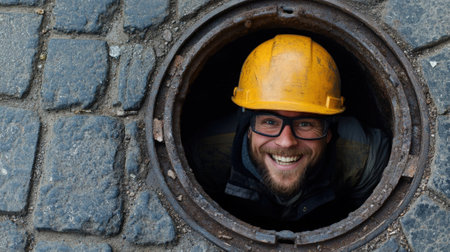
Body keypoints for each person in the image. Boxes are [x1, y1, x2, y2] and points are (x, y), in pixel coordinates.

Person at [188, 34, 391, 231]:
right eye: (270, 122)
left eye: (305, 124)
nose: (286, 142)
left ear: (329, 132)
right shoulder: (208, 155)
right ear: (247, 127)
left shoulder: (363, 157)